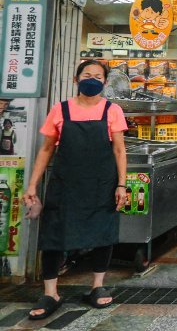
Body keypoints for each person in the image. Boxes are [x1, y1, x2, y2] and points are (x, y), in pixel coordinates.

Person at [23, 60, 127, 320]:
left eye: (98, 76)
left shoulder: (112, 110)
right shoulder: (61, 110)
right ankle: (51, 293)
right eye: (87, 74)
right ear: (76, 79)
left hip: (101, 184)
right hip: (65, 184)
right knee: (54, 234)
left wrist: (122, 184)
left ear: (105, 83)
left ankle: (97, 286)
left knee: (103, 232)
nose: (92, 79)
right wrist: (33, 184)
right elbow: (47, 149)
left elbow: (118, 149)